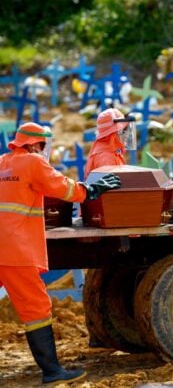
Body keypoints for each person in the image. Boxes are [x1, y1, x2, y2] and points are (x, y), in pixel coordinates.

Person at [0, 122, 121, 384]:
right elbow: (62, 187)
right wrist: (91, 190)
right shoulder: (33, 162)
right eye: (44, 146)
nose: (45, 151)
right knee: (36, 310)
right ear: (35, 144)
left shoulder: (2, 163)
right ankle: (53, 372)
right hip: (16, 250)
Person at [83, 107, 136, 349]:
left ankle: (99, 334)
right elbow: (113, 195)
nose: (126, 134)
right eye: (123, 129)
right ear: (113, 130)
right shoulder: (105, 156)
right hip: (109, 221)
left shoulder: (108, 150)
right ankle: (100, 333)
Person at [84, 107, 136, 179]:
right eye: (123, 130)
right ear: (113, 133)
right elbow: (111, 188)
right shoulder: (106, 158)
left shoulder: (111, 149)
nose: (126, 134)